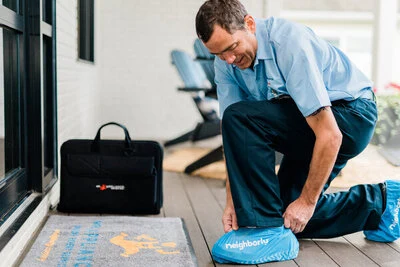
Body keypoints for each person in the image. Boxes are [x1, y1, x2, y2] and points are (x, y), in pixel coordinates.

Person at [195, 0, 400, 263]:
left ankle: (265, 230)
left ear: (249, 24)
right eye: (219, 54)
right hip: (305, 121)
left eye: (232, 48)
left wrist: (307, 202)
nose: (229, 60)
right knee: (285, 215)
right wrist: (233, 199)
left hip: (350, 115)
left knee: (286, 207)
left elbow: (330, 134)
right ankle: (382, 203)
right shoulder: (226, 63)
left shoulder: (289, 43)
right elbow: (233, 134)